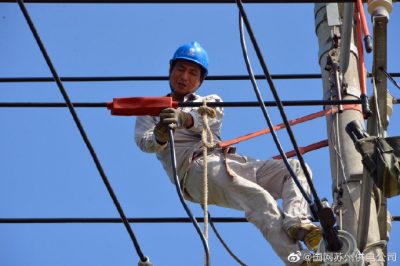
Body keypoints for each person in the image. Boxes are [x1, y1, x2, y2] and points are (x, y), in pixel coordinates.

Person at [135, 41, 322, 265]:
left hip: (229, 164)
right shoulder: (151, 112)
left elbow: (208, 115)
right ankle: (300, 261)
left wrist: (183, 118)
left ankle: (296, 221)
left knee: (295, 168)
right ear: (170, 70)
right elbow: (145, 143)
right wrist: (161, 134)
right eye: (180, 69)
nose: (184, 76)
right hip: (197, 171)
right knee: (259, 200)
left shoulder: (209, 101)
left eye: (192, 72)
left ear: (200, 80)